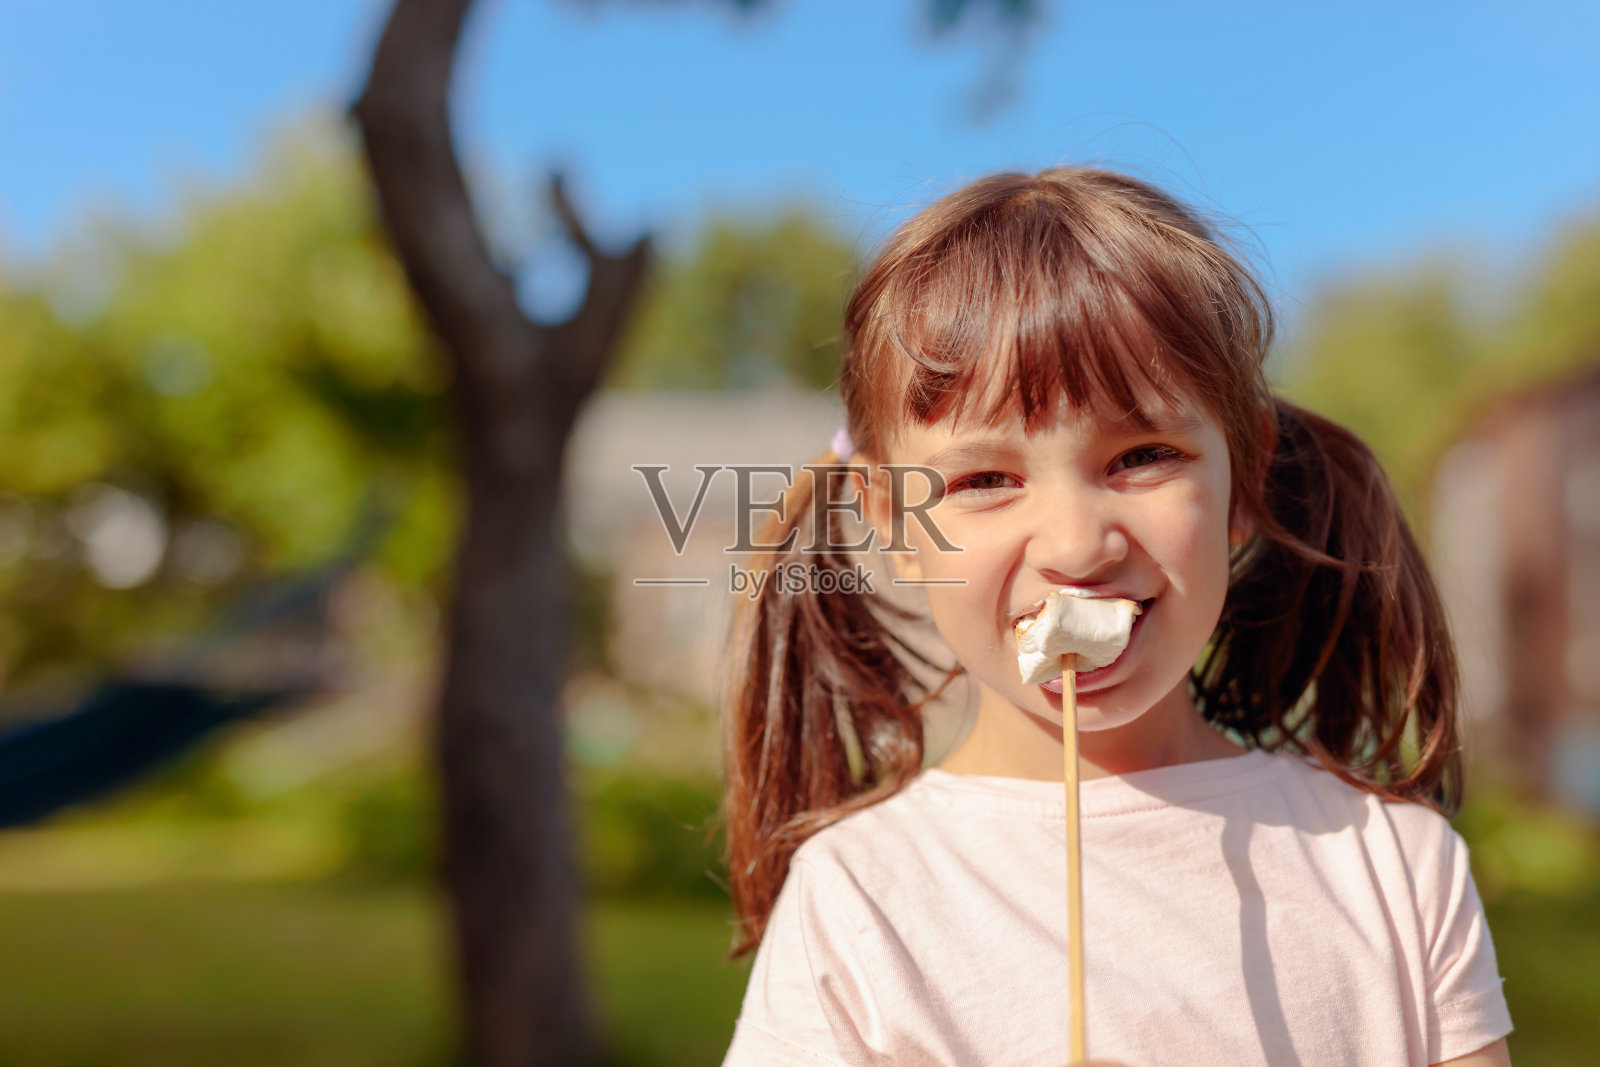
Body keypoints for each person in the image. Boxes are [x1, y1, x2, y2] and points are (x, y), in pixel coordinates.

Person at [716, 167, 1514, 1067]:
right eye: (985, 479)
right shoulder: (857, 901)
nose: (1075, 544)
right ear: (894, 519)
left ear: (1241, 482)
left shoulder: (1394, 867)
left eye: (1142, 456)